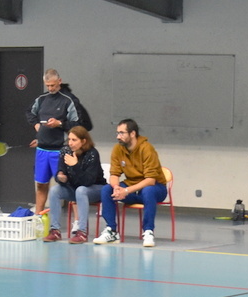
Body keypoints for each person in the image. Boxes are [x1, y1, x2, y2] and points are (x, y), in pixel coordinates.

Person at [93, 118, 167, 248]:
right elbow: (114, 174)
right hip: (132, 187)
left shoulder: (147, 148)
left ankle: (148, 231)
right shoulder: (118, 149)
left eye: (122, 133)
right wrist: (116, 188)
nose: (118, 136)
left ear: (132, 134)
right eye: (117, 133)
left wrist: (126, 191)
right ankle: (111, 231)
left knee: (148, 191)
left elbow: (150, 180)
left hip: (155, 188)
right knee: (107, 189)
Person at [27, 69, 82, 217]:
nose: (50, 88)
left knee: (68, 184)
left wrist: (59, 124)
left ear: (59, 81)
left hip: (60, 150)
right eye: (48, 85)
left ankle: (78, 222)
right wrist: (36, 124)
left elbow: (77, 123)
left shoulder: (68, 100)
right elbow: (29, 112)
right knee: (41, 184)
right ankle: (38, 217)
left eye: (53, 85)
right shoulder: (41, 99)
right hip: (42, 150)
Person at [47, 126, 105, 244]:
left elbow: (88, 181)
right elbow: (60, 170)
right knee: (54, 190)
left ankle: (82, 232)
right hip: (75, 188)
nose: (70, 143)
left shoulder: (92, 154)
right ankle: (55, 230)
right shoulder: (65, 151)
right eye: (69, 139)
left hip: (96, 189)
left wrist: (75, 165)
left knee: (81, 190)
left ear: (83, 141)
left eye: (74, 140)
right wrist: (60, 177)